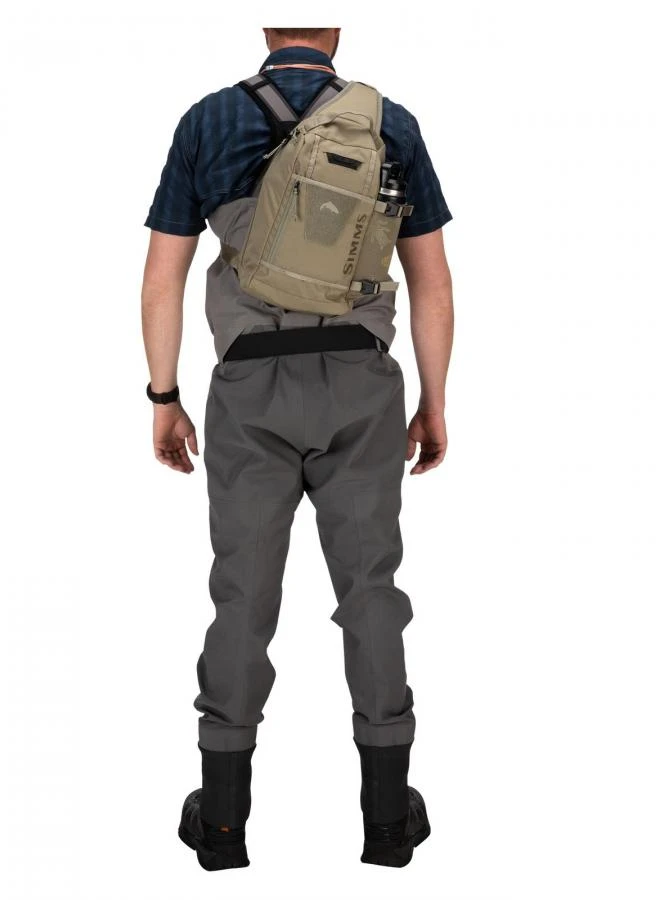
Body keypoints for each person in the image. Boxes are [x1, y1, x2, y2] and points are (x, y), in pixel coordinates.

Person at [141, 27, 454, 870]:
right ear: (335, 30)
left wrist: (165, 397)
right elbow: (430, 281)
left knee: (243, 595)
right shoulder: (389, 124)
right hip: (362, 383)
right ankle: (387, 820)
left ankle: (223, 822)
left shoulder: (207, 121)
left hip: (249, 388)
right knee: (371, 591)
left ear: (267, 28)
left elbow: (164, 276)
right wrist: (432, 402)